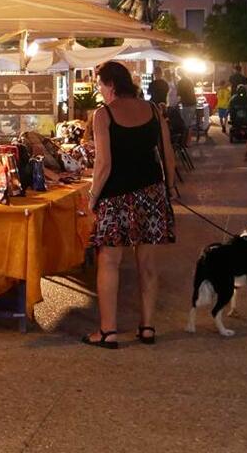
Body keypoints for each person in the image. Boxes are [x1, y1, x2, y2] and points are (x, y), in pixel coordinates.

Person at [84, 61, 176, 349]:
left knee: (109, 262)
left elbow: (104, 163)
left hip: (116, 196)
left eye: (100, 85)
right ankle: (147, 327)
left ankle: (108, 332)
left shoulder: (104, 114)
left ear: (111, 84)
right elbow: (167, 153)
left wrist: (92, 197)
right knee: (147, 263)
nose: (99, 91)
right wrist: (169, 188)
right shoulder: (153, 110)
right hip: (151, 192)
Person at [176, 72, 197, 145]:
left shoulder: (180, 82)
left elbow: (178, 94)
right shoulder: (190, 80)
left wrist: (177, 102)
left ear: (179, 74)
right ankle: (189, 141)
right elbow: (192, 91)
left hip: (186, 103)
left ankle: (185, 141)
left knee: (185, 122)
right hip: (193, 102)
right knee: (189, 122)